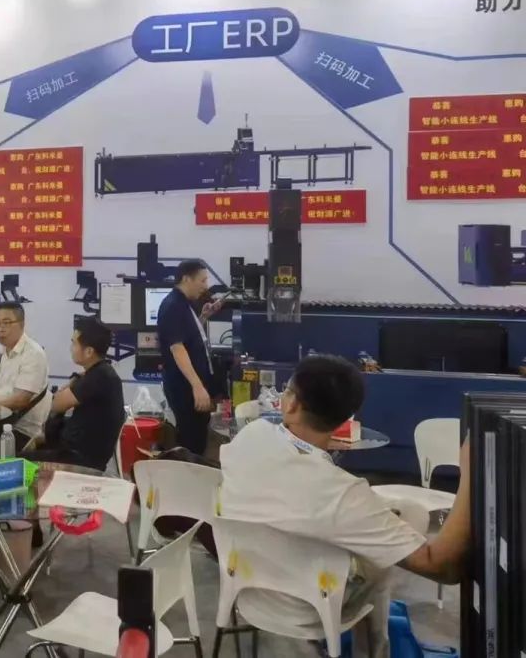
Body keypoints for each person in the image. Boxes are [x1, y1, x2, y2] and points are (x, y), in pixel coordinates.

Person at [218, 355, 470, 658]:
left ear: (292, 404)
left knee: (398, 513)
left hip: (246, 587)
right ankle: (374, 650)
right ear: (345, 419)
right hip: (308, 608)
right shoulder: (342, 493)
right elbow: (442, 567)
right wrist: (470, 474)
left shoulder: (250, 436)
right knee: (396, 537)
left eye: (287, 390)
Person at [28, 316, 125, 471]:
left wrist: (72, 383)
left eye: (74, 343)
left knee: (16, 461)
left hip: (79, 460)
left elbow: (56, 405)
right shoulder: (100, 372)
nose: (71, 348)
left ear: (89, 352)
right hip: (75, 451)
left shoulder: (98, 376)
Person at [157, 259, 223, 456]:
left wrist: (203, 317)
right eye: (202, 281)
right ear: (186, 279)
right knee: (191, 440)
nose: (205, 286)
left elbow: (188, 337)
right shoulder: (173, 306)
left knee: (198, 436)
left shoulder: (184, 304)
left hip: (191, 385)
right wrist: (197, 386)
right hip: (184, 388)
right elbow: (177, 348)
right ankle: (187, 472)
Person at [0, 301, 49, 456]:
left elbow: (21, 400)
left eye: (7, 323)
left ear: (22, 324)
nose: (0, 328)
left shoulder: (33, 354)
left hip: (21, 430)